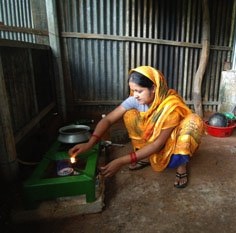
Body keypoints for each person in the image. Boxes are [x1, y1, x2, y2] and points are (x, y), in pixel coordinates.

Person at [68, 66, 204, 188]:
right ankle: (144, 156)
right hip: (154, 139)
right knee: (130, 115)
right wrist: (90, 143)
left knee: (192, 123)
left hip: (171, 139)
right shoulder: (135, 100)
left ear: (154, 88)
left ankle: (182, 167)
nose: (134, 95)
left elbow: (157, 144)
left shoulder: (169, 107)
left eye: (139, 91)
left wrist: (121, 161)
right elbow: (109, 119)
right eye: (132, 90)